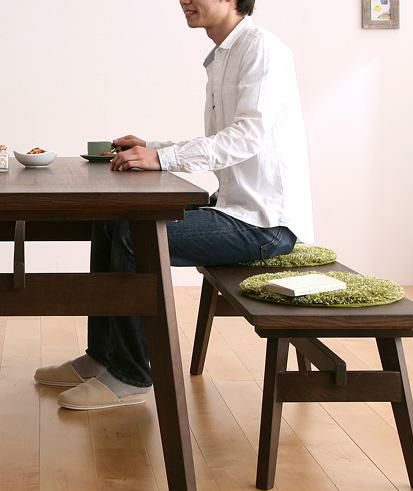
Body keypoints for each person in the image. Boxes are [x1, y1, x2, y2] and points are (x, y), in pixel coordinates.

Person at [35, 0, 314, 410]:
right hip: (233, 208)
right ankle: (102, 357)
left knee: (133, 236)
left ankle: (131, 376)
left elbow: (245, 138)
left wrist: (162, 158)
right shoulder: (223, 55)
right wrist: (152, 147)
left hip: (266, 225)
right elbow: (222, 141)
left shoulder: (261, 50)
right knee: (110, 220)